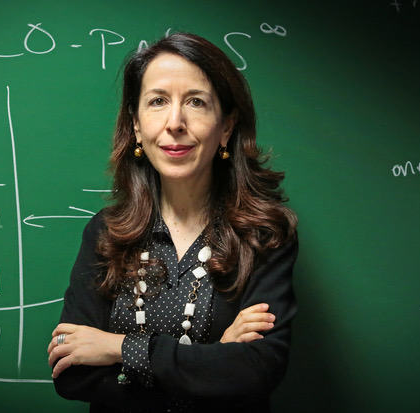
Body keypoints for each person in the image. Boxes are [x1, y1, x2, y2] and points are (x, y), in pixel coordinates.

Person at [47, 32, 298, 412]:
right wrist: (213, 358)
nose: (175, 122)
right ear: (135, 125)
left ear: (226, 127)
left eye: (195, 102)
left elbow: (256, 372)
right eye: (158, 101)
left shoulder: (264, 235)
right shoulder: (105, 233)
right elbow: (71, 373)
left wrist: (117, 348)